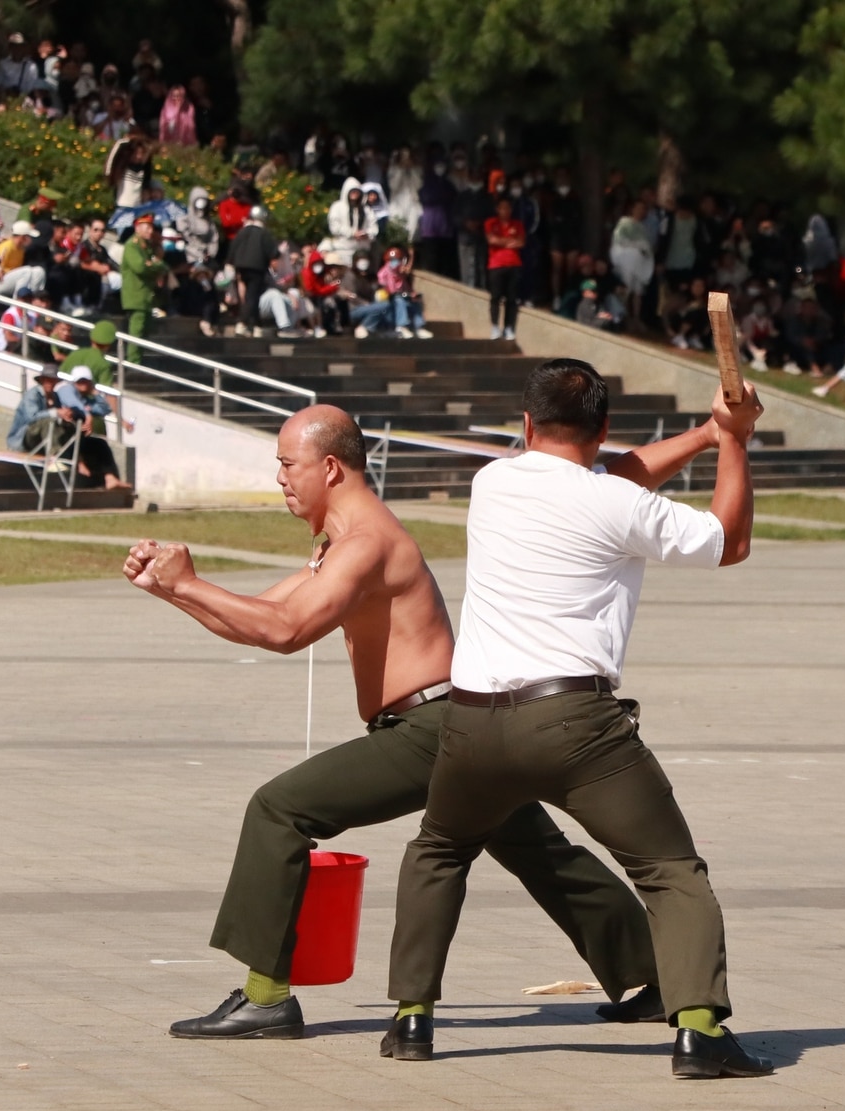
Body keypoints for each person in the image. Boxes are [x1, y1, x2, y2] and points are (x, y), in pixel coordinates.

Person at [127, 405, 728, 1042]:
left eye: (286, 464)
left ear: (329, 467)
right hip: (463, 724)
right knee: (538, 852)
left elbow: (284, 632)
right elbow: (264, 613)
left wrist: (189, 585)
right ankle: (656, 974)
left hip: (430, 728)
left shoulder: (367, 544)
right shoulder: (344, 541)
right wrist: (174, 589)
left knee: (278, 810)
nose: (279, 478)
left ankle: (266, 996)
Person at [385, 360, 774, 1078]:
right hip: (574, 724)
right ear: (603, 429)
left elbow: (612, 477)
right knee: (669, 868)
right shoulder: (617, 504)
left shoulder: (493, 482)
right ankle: (698, 1032)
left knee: (438, 849)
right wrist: (734, 443)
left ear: (526, 425)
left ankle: (411, 1018)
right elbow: (730, 538)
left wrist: (709, 428)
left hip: (470, 721)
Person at [120, 212, 168, 359]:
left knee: (144, 331)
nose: (150, 231)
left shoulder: (146, 246)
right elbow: (140, 267)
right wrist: (156, 265)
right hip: (136, 294)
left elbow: (163, 266)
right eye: (146, 227)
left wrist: (155, 264)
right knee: (136, 330)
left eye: (151, 227)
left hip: (146, 296)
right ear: (137, 228)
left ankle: (138, 360)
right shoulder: (132, 246)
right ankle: (133, 362)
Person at [228, 206, 278, 337]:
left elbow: (233, 249)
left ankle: (257, 325)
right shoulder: (263, 233)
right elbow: (273, 252)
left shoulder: (243, 231)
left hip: (241, 267)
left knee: (250, 296)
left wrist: (231, 263)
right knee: (252, 296)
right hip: (257, 268)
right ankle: (242, 323)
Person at [7, 364, 74, 453]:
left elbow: (57, 417)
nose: (50, 383)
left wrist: (65, 416)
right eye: (48, 380)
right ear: (42, 380)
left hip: (45, 437)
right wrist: (55, 412)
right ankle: (54, 456)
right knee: (48, 421)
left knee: (71, 426)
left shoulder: (55, 396)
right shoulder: (32, 395)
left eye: (53, 380)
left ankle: (71, 457)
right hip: (24, 437)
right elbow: (31, 417)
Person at [484, 195, 525, 341]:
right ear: (498, 209)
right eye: (502, 208)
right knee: (495, 297)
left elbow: (520, 242)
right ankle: (495, 326)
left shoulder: (517, 224)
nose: (505, 211)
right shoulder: (491, 223)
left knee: (512, 298)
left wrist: (501, 242)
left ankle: (509, 327)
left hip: (514, 264)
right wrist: (508, 241)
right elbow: (491, 239)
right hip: (496, 265)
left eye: (508, 208)